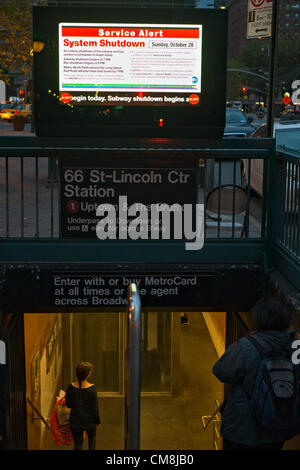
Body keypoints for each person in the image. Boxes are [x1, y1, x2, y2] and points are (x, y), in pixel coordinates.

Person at [212, 298, 299, 450]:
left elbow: (220, 371)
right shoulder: (295, 345)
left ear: (258, 320)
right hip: (278, 426)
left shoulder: (247, 346)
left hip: (243, 429)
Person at [65, 361, 100, 450]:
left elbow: (68, 405)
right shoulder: (92, 389)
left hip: (75, 421)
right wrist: (97, 421)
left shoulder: (70, 387)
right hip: (90, 422)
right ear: (88, 375)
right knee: (92, 441)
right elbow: (95, 408)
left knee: (77, 444)